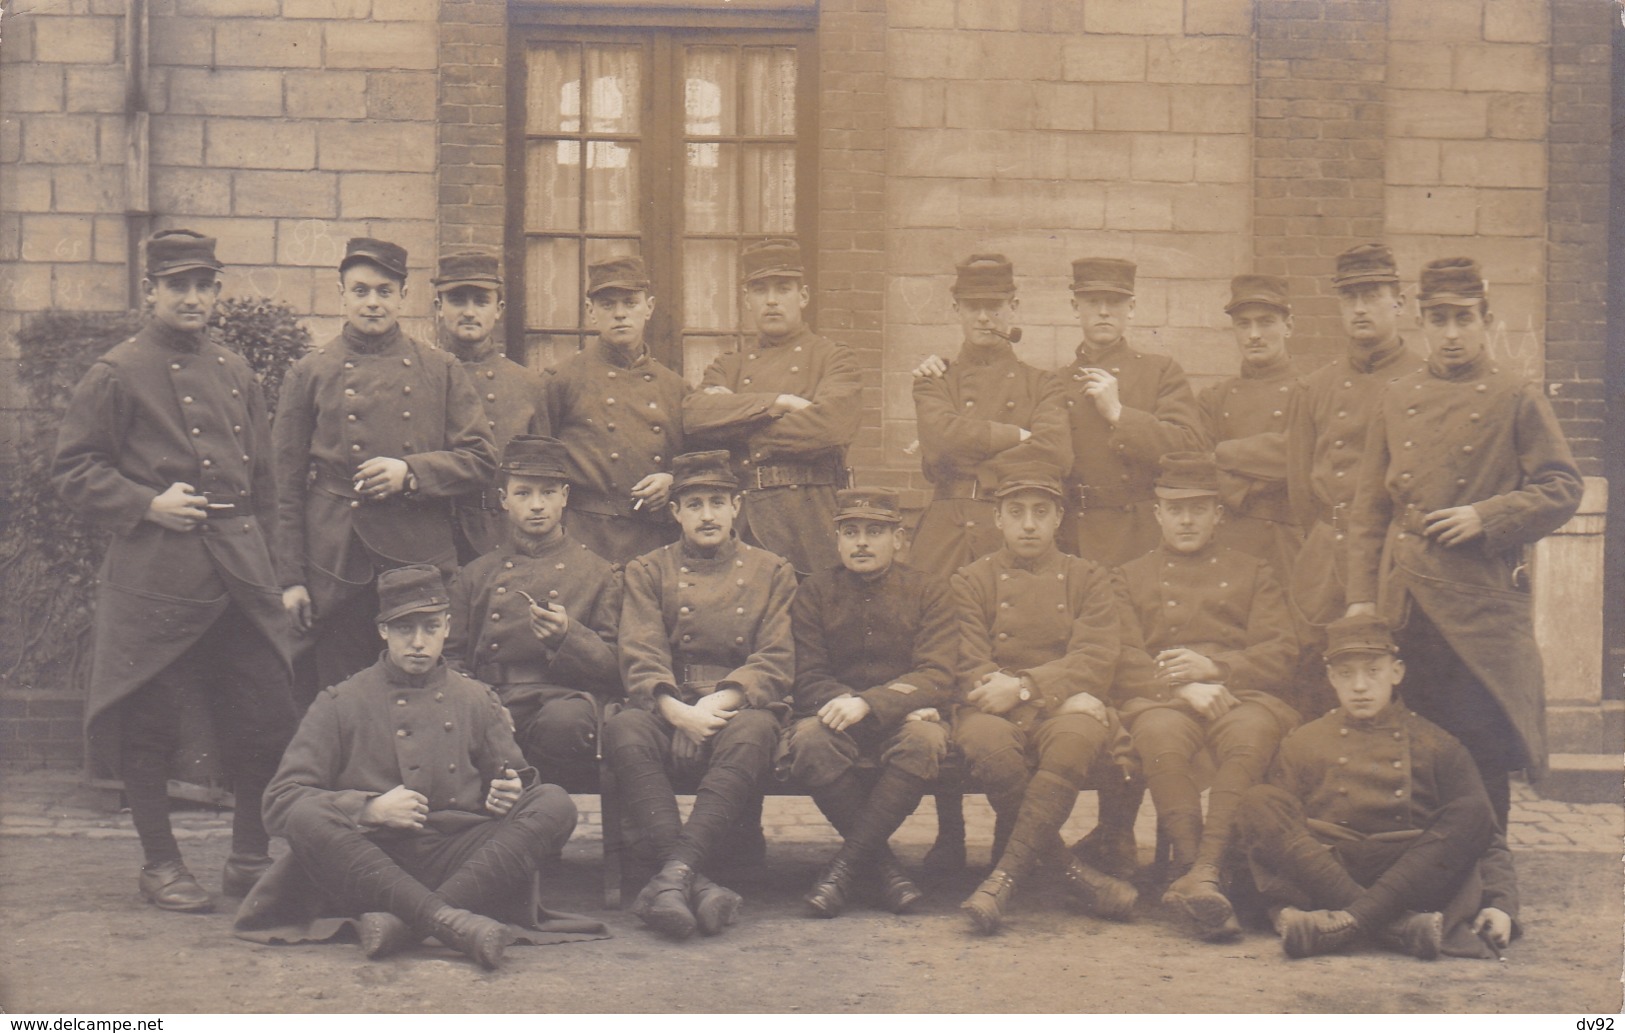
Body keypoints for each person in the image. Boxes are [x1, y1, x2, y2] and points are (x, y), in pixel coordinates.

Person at [52, 229, 298, 913]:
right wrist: (145, 502)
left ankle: (248, 854)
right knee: (150, 722)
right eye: (177, 285)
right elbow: (73, 469)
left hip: (239, 575)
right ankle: (160, 862)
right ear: (151, 291)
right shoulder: (117, 371)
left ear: (217, 292)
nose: (191, 298)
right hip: (157, 576)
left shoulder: (234, 368)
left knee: (263, 713)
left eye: (203, 285)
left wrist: (274, 570)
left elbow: (268, 483)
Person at [237, 565, 604, 968]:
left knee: (554, 802)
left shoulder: (476, 698)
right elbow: (280, 802)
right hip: (370, 861)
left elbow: (519, 784)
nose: (418, 643)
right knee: (307, 814)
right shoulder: (340, 702)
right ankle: (448, 920)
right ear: (382, 631)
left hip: (459, 861)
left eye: (430, 628)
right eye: (403, 629)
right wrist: (368, 809)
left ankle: (413, 923)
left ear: (447, 627)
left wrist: (508, 793)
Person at [1345, 256, 1583, 833]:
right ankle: (1419, 870)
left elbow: (1563, 487)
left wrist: (1487, 515)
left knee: (1479, 749)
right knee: (1410, 745)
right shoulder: (1395, 396)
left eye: (1463, 318)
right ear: (1421, 321)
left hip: (1478, 605)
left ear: (1487, 319)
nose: (1451, 334)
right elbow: (1369, 513)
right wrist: (1360, 601)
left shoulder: (1515, 396)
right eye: (1438, 319)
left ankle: (1486, 878)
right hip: (1405, 602)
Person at [273, 237, 496, 696]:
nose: (372, 302)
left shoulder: (441, 368)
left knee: (423, 683)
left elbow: (480, 459)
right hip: (335, 555)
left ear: (403, 295)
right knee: (341, 687)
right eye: (360, 291)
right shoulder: (310, 372)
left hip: (417, 549)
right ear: (342, 295)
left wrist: (410, 472)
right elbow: (284, 486)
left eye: (383, 291)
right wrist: (291, 579)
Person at [908, 252, 1073, 873]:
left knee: (1011, 671)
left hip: (1011, 530)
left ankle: (1013, 831)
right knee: (946, 668)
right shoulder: (934, 377)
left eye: (995, 304)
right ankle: (948, 831)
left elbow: (1056, 456)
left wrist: (989, 438)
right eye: (972, 305)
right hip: (948, 526)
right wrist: (1015, 437)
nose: (984, 315)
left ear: (1014, 309)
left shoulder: (1043, 383)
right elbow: (938, 438)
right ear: (956, 310)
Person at [1229, 615, 1506, 960]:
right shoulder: (1304, 741)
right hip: (1326, 870)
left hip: (1408, 875)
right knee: (1259, 801)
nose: (1360, 686)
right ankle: (1398, 928)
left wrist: (1502, 905)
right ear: (1331, 678)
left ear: (1397, 672)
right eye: (1346, 674)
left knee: (1473, 812)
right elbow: (1277, 832)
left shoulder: (1437, 744)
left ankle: (1342, 923)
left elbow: (1488, 836)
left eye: (1373, 671)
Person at [603, 450, 796, 940]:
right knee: (625, 727)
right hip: (669, 698)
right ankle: (697, 882)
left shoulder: (772, 570)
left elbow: (775, 660)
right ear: (675, 513)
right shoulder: (648, 570)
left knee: (757, 728)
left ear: (737, 506)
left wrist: (715, 704)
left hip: (734, 704)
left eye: (717, 501)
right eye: (694, 504)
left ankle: (670, 876)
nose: (706, 514)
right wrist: (676, 711)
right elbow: (640, 652)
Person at [1110, 453, 1299, 941]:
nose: (1187, 519)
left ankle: (1200, 872)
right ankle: (1203, 874)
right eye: (1176, 509)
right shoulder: (1129, 576)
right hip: (1163, 697)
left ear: (1218, 513)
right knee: (1158, 732)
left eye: (1199, 508)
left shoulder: (1253, 570)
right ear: (1157, 513)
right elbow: (1121, 655)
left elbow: (1281, 650)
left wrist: (1219, 669)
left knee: (1253, 732)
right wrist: (1181, 686)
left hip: (1239, 695)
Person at [952, 465, 1140, 935]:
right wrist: (1034, 697)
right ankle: (1074, 876)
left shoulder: (1087, 577)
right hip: (993, 707)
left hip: (1052, 704)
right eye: (1016, 513)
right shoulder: (971, 580)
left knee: (1077, 738)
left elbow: (1096, 655)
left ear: (1059, 517)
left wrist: (1026, 688)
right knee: (991, 748)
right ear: (997, 519)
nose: (1029, 524)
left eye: (1041, 512)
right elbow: (967, 661)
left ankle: (1002, 881)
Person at [782, 488, 958, 918]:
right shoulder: (814, 592)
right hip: (834, 715)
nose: (861, 542)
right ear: (837, 539)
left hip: (900, 717)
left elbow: (937, 674)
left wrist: (874, 704)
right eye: (851, 531)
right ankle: (884, 869)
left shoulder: (929, 590)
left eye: (874, 531)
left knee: (924, 740)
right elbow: (806, 677)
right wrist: (848, 703)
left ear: (898, 538)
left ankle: (843, 869)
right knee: (808, 742)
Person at [1283, 243, 1425, 714]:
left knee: (1395, 678)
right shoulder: (1316, 387)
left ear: (1398, 302)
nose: (1360, 308)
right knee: (1318, 679)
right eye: (1350, 298)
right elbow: (1300, 488)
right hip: (1327, 552)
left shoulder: (1425, 382)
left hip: (1394, 553)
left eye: (1372, 295)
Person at [446, 435, 622, 788]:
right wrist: (481, 704)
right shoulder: (475, 574)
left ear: (565, 498)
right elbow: (449, 659)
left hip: (560, 698)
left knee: (566, 723)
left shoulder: (599, 573)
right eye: (523, 493)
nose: (537, 505)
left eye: (548, 493)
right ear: (504, 501)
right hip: (490, 694)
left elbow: (616, 667)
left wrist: (568, 637)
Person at [682, 237, 862, 578]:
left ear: (803, 296)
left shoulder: (833, 357)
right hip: (744, 517)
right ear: (747, 300)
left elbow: (831, 426)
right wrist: (776, 403)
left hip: (809, 516)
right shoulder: (728, 365)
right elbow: (693, 416)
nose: (772, 300)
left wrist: (736, 426)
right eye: (760, 290)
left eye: (783, 288)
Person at [1058, 257, 1205, 568]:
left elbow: (1190, 448)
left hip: (1139, 537)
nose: (1103, 311)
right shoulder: (1055, 382)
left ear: (1132, 308)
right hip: (1073, 536)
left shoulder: (1160, 371)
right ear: (1074, 307)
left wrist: (1119, 414)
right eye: (1092, 301)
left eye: (1114, 302)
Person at [546, 255, 687, 566]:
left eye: (630, 302)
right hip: (585, 539)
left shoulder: (674, 388)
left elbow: (695, 460)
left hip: (654, 540)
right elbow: (542, 466)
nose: (620, 314)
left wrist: (672, 480)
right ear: (590, 312)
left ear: (649, 307)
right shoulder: (562, 381)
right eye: (608, 305)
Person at [433, 250, 551, 563]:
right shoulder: (420, 376)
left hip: (503, 539)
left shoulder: (527, 385)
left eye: (481, 301)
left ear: (498, 310)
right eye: (458, 300)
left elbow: (543, 476)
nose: (469, 312)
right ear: (438, 308)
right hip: (433, 533)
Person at [1197, 274, 1304, 582]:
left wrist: (1223, 453)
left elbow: (1297, 455)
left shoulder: (1310, 393)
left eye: (1266, 322)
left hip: (1286, 545)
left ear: (1289, 326)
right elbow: (1199, 466)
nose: (1254, 334)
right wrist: (1257, 477)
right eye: (1244, 324)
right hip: (1226, 542)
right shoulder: (1214, 398)